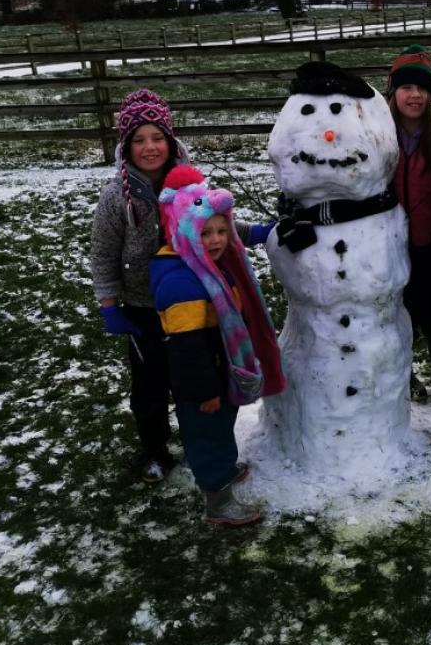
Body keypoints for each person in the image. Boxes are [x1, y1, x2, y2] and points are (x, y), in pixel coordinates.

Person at [151, 166, 285, 526]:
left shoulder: (205, 266)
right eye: (205, 232)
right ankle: (218, 500)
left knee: (221, 428)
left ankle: (223, 468)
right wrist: (205, 390)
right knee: (207, 436)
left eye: (222, 231)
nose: (216, 240)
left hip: (216, 373)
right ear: (183, 230)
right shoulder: (183, 282)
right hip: (202, 384)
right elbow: (187, 348)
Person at [90, 88, 188, 483]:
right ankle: (154, 449)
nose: (150, 148)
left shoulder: (188, 186)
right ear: (126, 147)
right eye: (139, 140)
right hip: (141, 306)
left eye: (157, 138)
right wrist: (110, 305)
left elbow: (217, 227)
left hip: (188, 302)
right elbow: (102, 254)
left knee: (192, 379)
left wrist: (253, 232)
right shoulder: (116, 198)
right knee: (149, 384)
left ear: (170, 141)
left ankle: (201, 443)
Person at [385, 46, 431, 406]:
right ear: (393, 92)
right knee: (399, 311)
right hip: (390, 243)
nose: (416, 95)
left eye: (423, 89)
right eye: (407, 88)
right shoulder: (379, 137)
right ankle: (406, 374)